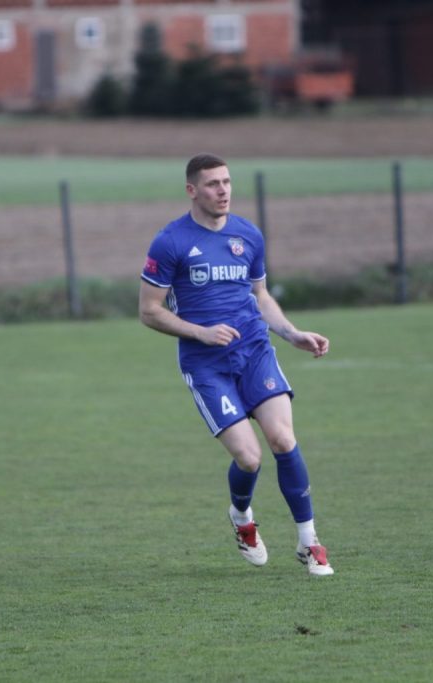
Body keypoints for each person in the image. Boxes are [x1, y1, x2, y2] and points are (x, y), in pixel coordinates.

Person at [139, 153, 334, 577]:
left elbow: (260, 296)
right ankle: (242, 518)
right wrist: (201, 332)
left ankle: (310, 542)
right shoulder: (170, 242)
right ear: (192, 190)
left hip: (255, 352)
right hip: (206, 364)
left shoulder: (247, 234)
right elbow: (149, 311)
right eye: (213, 184)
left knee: (282, 438)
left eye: (227, 182)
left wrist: (292, 333)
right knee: (249, 458)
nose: (223, 190)